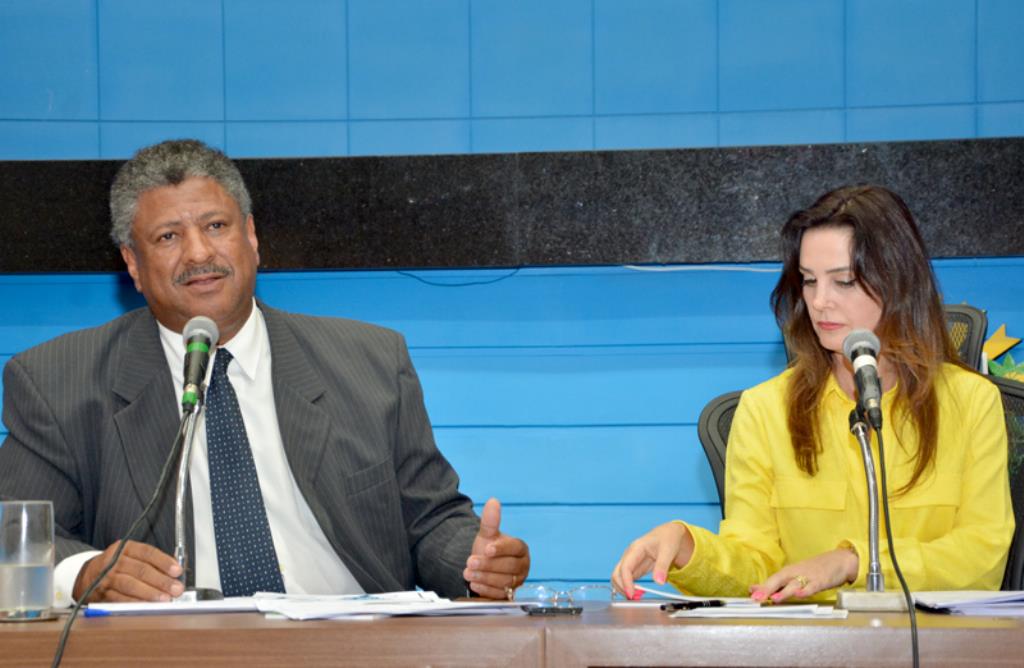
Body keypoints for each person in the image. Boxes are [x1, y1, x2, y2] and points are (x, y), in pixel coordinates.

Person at [0, 139, 529, 604]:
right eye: (167, 237)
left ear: (251, 237)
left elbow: (431, 521)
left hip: (349, 645)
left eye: (216, 226)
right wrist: (84, 573)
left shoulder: (370, 361)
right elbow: (14, 537)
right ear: (133, 264)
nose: (199, 253)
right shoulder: (57, 383)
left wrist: (475, 561)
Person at [612, 185, 1014, 603]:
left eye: (844, 282)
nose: (820, 302)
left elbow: (982, 558)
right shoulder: (765, 410)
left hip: (930, 639)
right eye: (808, 281)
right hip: (812, 640)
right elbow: (756, 567)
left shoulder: (971, 403)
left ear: (898, 283)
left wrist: (852, 563)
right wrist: (688, 548)